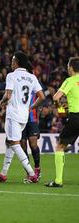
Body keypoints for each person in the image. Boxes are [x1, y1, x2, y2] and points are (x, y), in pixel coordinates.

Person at [0, 51, 45, 183]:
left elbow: (8, 95)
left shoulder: (11, 76)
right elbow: (42, 97)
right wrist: (31, 107)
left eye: (13, 60)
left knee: (14, 143)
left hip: (13, 114)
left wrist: (1, 102)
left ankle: (32, 174)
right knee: (10, 141)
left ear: (17, 62)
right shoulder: (32, 77)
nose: (11, 62)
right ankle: (3, 173)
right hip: (24, 116)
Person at [45, 57, 79, 187]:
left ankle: (58, 181)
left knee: (59, 146)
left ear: (71, 68)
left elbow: (56, 97)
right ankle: (68, 145)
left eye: (68, 66)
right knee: (63, 144)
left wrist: (60, 109)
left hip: (76, 117)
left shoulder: (69, 80)